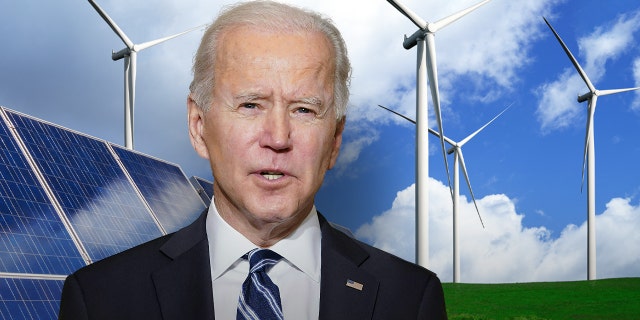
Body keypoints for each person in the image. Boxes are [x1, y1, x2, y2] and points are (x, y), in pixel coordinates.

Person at [58, 1, 447, 319]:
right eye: (250, 104)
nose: (278, 138)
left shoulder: (410, 299)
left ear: (334, 141)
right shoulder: (100, 300)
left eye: (304, 110)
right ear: (198, 126)